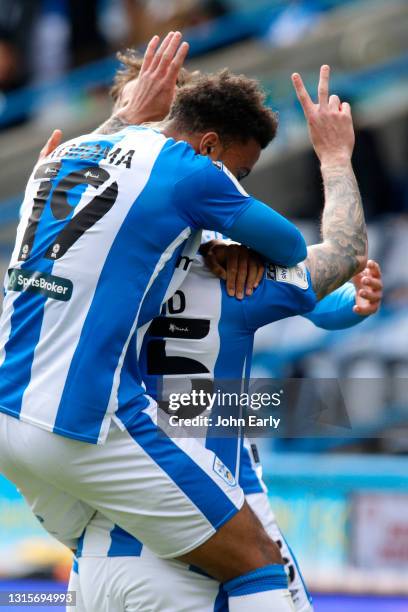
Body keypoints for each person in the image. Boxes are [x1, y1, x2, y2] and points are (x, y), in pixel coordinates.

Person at [0, 33, 366, 612]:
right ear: (210, 145)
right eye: (239, 174)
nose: (236, 189)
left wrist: (119, 119)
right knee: (256, 561)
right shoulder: (194, 187)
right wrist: (335, 158)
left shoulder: (60, 160)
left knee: (103, 533)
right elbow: (317, 254)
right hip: (90, 426)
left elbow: (324, 305)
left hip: (14, 421)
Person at [67, 242, 382, 612]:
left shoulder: (115, 260)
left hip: (110, 529)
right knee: (262, 574)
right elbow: (305, 273)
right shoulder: (220, 263)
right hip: (197, 502)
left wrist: (351, 298)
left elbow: (322, 297)